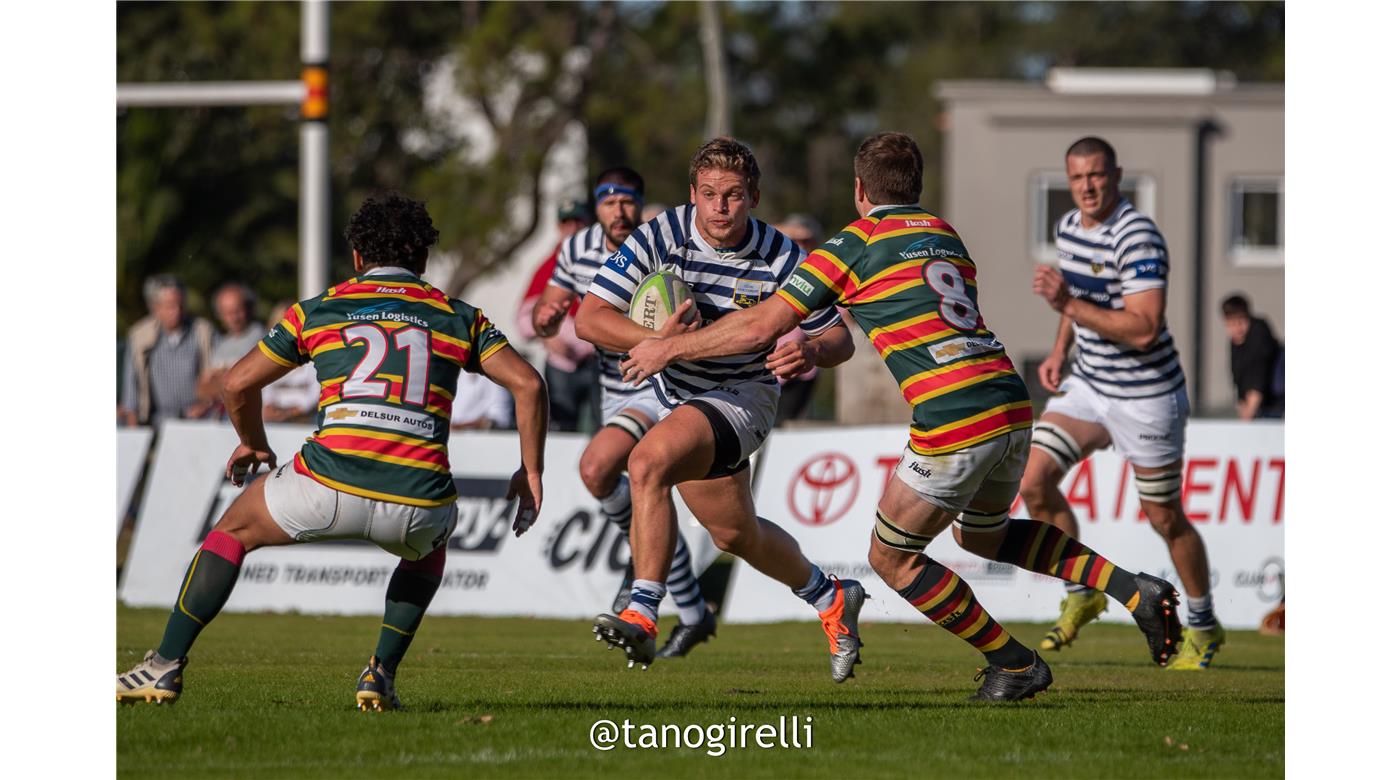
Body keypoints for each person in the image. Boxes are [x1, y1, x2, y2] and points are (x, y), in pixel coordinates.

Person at [623, 132, 1182, 700]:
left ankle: (1013, 663)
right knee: (984, 538)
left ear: (859, 188)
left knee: (889, 558)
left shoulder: (854, 243)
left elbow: (762, 324)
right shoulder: (943, 234)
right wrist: (814, 348)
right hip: (1010, 402)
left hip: (953, 410)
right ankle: (1134, 589)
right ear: (914, 187)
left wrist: (666, 348)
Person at [116, 194, 548, 710]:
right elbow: (529, 385)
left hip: (324, 485)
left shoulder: (320, 309)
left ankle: (162, 666)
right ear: (424, 260)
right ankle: (380, 674)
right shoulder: (460, 317)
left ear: (358, 258)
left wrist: (254, 443)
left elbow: (236, 385)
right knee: (431, 548)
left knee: (230, 533)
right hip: (417, 500)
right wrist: (531, 469)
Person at [579, 137, 866, 680]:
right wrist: (651, 336)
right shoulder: (661, 234)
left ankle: (642, 609)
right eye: (708, 194)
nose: (719, 207)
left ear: (753, 196)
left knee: (645, 463)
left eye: (732, 195)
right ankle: (831, 595)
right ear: (692, 193)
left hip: (744, 397)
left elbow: (840, 341)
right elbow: (590, 318)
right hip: (680, 397)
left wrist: (808, 348)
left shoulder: (783, 254)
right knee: (736, 535)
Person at [1022, 136, 1223, 670]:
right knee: (1032, 481)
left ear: (1117, 175)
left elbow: (1143, 327)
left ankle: (1202, 624)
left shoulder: (1138, 236)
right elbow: (1078, 297)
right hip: (1089, 387)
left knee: (1164, 516)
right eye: (1078, 177)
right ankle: (1082, 589)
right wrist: (1060, 350)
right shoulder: (1068, 228)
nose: (1088, 186)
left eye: (1097, 175)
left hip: (1147, 397)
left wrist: (1067, 303)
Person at [531, 168, 717, 658]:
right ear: (597, 207)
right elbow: (546, 305)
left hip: (658, 389)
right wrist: (545, 318)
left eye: (628, 201)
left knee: (597, 466)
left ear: (640, 203)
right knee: (628, 494)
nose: (620, 211)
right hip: (613, 391)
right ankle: (693, 609)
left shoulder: (661, 246)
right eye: (609, 202)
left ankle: (644, 577)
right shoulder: (575, 251)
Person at [515, 199, 600, 432]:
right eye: (566, 222)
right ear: (559, 227)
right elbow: (524, 320)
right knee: (562, 429)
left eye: (578, 221)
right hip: (563, 366)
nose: (572, 228)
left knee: (602, 430)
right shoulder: (548, 266)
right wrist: (547, 337)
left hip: (598, 362)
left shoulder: (604, 261)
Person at [118, 274, 216, 426]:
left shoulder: (203, 332)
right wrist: (134, 428)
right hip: (156, 421)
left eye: (180, 305)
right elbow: (131, 388)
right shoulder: (139, 337)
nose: (177, 311)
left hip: (199, 419)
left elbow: (217, 377)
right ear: (155, 308)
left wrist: (206, 404)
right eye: (170, 305)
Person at [773, 214, 827, 423]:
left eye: (807, 241)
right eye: (795, 241)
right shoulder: (772, 268)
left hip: (800, 371)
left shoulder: (822, 275)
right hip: (766, 369)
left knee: (785, 428)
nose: (801, 246)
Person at [196, 282, 266, 417]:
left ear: (250, 308)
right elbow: (202, 388)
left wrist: (219, 378)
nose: (234, 318)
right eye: (227, 313)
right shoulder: (221, 344)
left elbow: (247, 383)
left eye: (238, 310)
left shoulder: (262, 339)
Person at [1221, 293, 1284, 419]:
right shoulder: (1235, 342)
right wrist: (1241, 402)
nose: (1237, 328)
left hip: (1276, 401)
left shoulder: (1259, 332)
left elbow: (1259, 372)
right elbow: (1237, 375)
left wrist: (1250, 408)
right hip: (1258, 404)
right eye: (1232, 323)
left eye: (1241, 321)